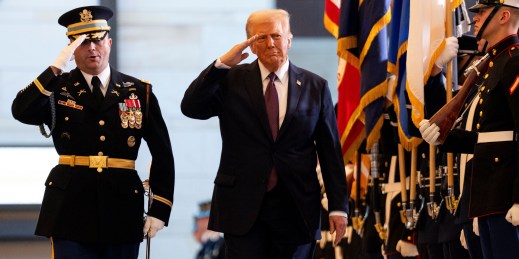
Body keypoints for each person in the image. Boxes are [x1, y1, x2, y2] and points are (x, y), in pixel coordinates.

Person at [181, 9, 349, 259]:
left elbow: (330, 152)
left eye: (276, 36)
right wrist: (221, 64)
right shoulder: (231, 79)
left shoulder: (316, 87)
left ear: (289, 39)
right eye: (261, 38)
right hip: (242, 206)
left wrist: (338, 207)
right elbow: (191, 107)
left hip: (297, 207)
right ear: (250, 43)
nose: (270, 43)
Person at [11, 6, 175, 259]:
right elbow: (21, 111)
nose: (92, 48)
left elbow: (163, 153)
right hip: (69, 208)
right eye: (82, 42)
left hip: (121, 206)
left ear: (108, 42)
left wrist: (159, 209)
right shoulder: (57, 88)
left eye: (97, 40)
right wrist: (54, 68)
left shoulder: (138, 91)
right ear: (71, 49)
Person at [419, 0, 519, 258]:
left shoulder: (514, 62)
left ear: (504, 15)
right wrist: (444, 138)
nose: (476, 17)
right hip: (486, 195)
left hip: (505, 193)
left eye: (483, 12)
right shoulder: (492, 66)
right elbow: (484, 139)